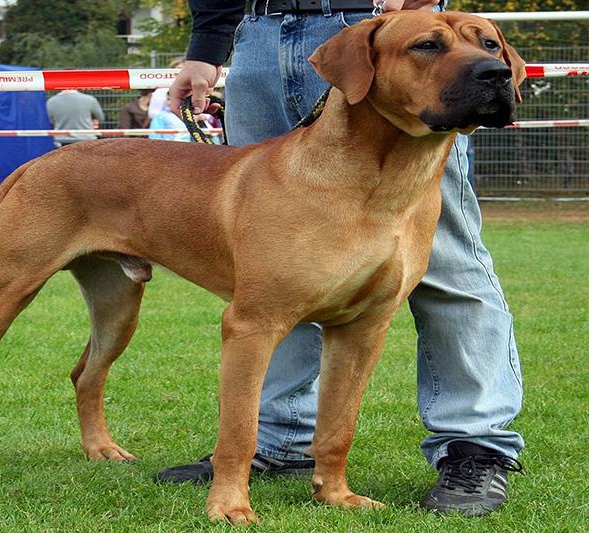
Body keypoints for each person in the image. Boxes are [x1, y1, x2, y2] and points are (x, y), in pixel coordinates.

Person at [157, 0, 524, 517]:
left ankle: (476, 445)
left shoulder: (412, 36)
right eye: (434, 50)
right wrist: (205, 49)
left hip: (368, 18)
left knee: (450, 268)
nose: (490, 65)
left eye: (490, 50)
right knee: (279, 282)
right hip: (258, 36)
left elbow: (446, 41)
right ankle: (279, 444)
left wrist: (416, 15)